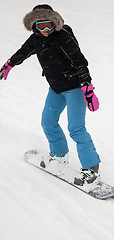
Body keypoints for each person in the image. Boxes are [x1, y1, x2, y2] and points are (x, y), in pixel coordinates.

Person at [0, 4, 101, 186]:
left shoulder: (63, 37)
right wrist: (9, 65)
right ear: (34, 26)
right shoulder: (35, 39)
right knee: (48, 122)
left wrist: (87, 87)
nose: (46, 30)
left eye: (49, 25)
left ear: (55, 23)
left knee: (76, 128)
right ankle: (60, 155)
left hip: (74, 88)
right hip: (55, 88)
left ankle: (91, 169)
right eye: (41, 26)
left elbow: (80, 61)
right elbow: (23, 52)